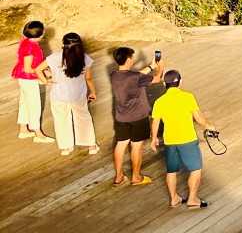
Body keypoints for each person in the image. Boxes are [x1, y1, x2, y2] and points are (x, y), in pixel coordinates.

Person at [151, 70, 215, 209]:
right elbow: (199, 119)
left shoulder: (159, 102)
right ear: (180, 82)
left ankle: (174, 199)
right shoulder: (188, 97)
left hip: (170, 141)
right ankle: (192, 199)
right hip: (187, 139)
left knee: (171, 171)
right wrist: (209, 126)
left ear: (165, 84)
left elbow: (155, 122)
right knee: (196, 170)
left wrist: (154, 139)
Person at [110, 46, 165, 186]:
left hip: (121, 117)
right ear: (129, 60)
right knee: (136, 146)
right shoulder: (136, 78)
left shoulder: (115, 75)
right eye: (132, 57)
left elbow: (134, 76)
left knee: (121, 144)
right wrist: (160, 67)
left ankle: (118, 177)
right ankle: (136, 177)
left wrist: (150, 67)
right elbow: (157, 79)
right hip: (138, 117)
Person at [39, 32, 98, 156]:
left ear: (63, 44)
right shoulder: (85, 58)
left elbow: (37, 69)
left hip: (59, 96)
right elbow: (88, 78)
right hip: (78, 96)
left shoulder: (54, 57)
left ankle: (66, 148)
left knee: (61, 120)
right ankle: (91, 145)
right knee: (83, 118)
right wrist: (93, 92)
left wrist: (46, 81)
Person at [10, 20, 54, 143]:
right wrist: (42, 75)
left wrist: (44, 71)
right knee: (35, 106)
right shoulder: (31, 47)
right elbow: (28, 68)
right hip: (28, 79)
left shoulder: (26, 41)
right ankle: (38, 134)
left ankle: (23, 130)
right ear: (40, 34)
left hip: (23, 78)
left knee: (25, 103)